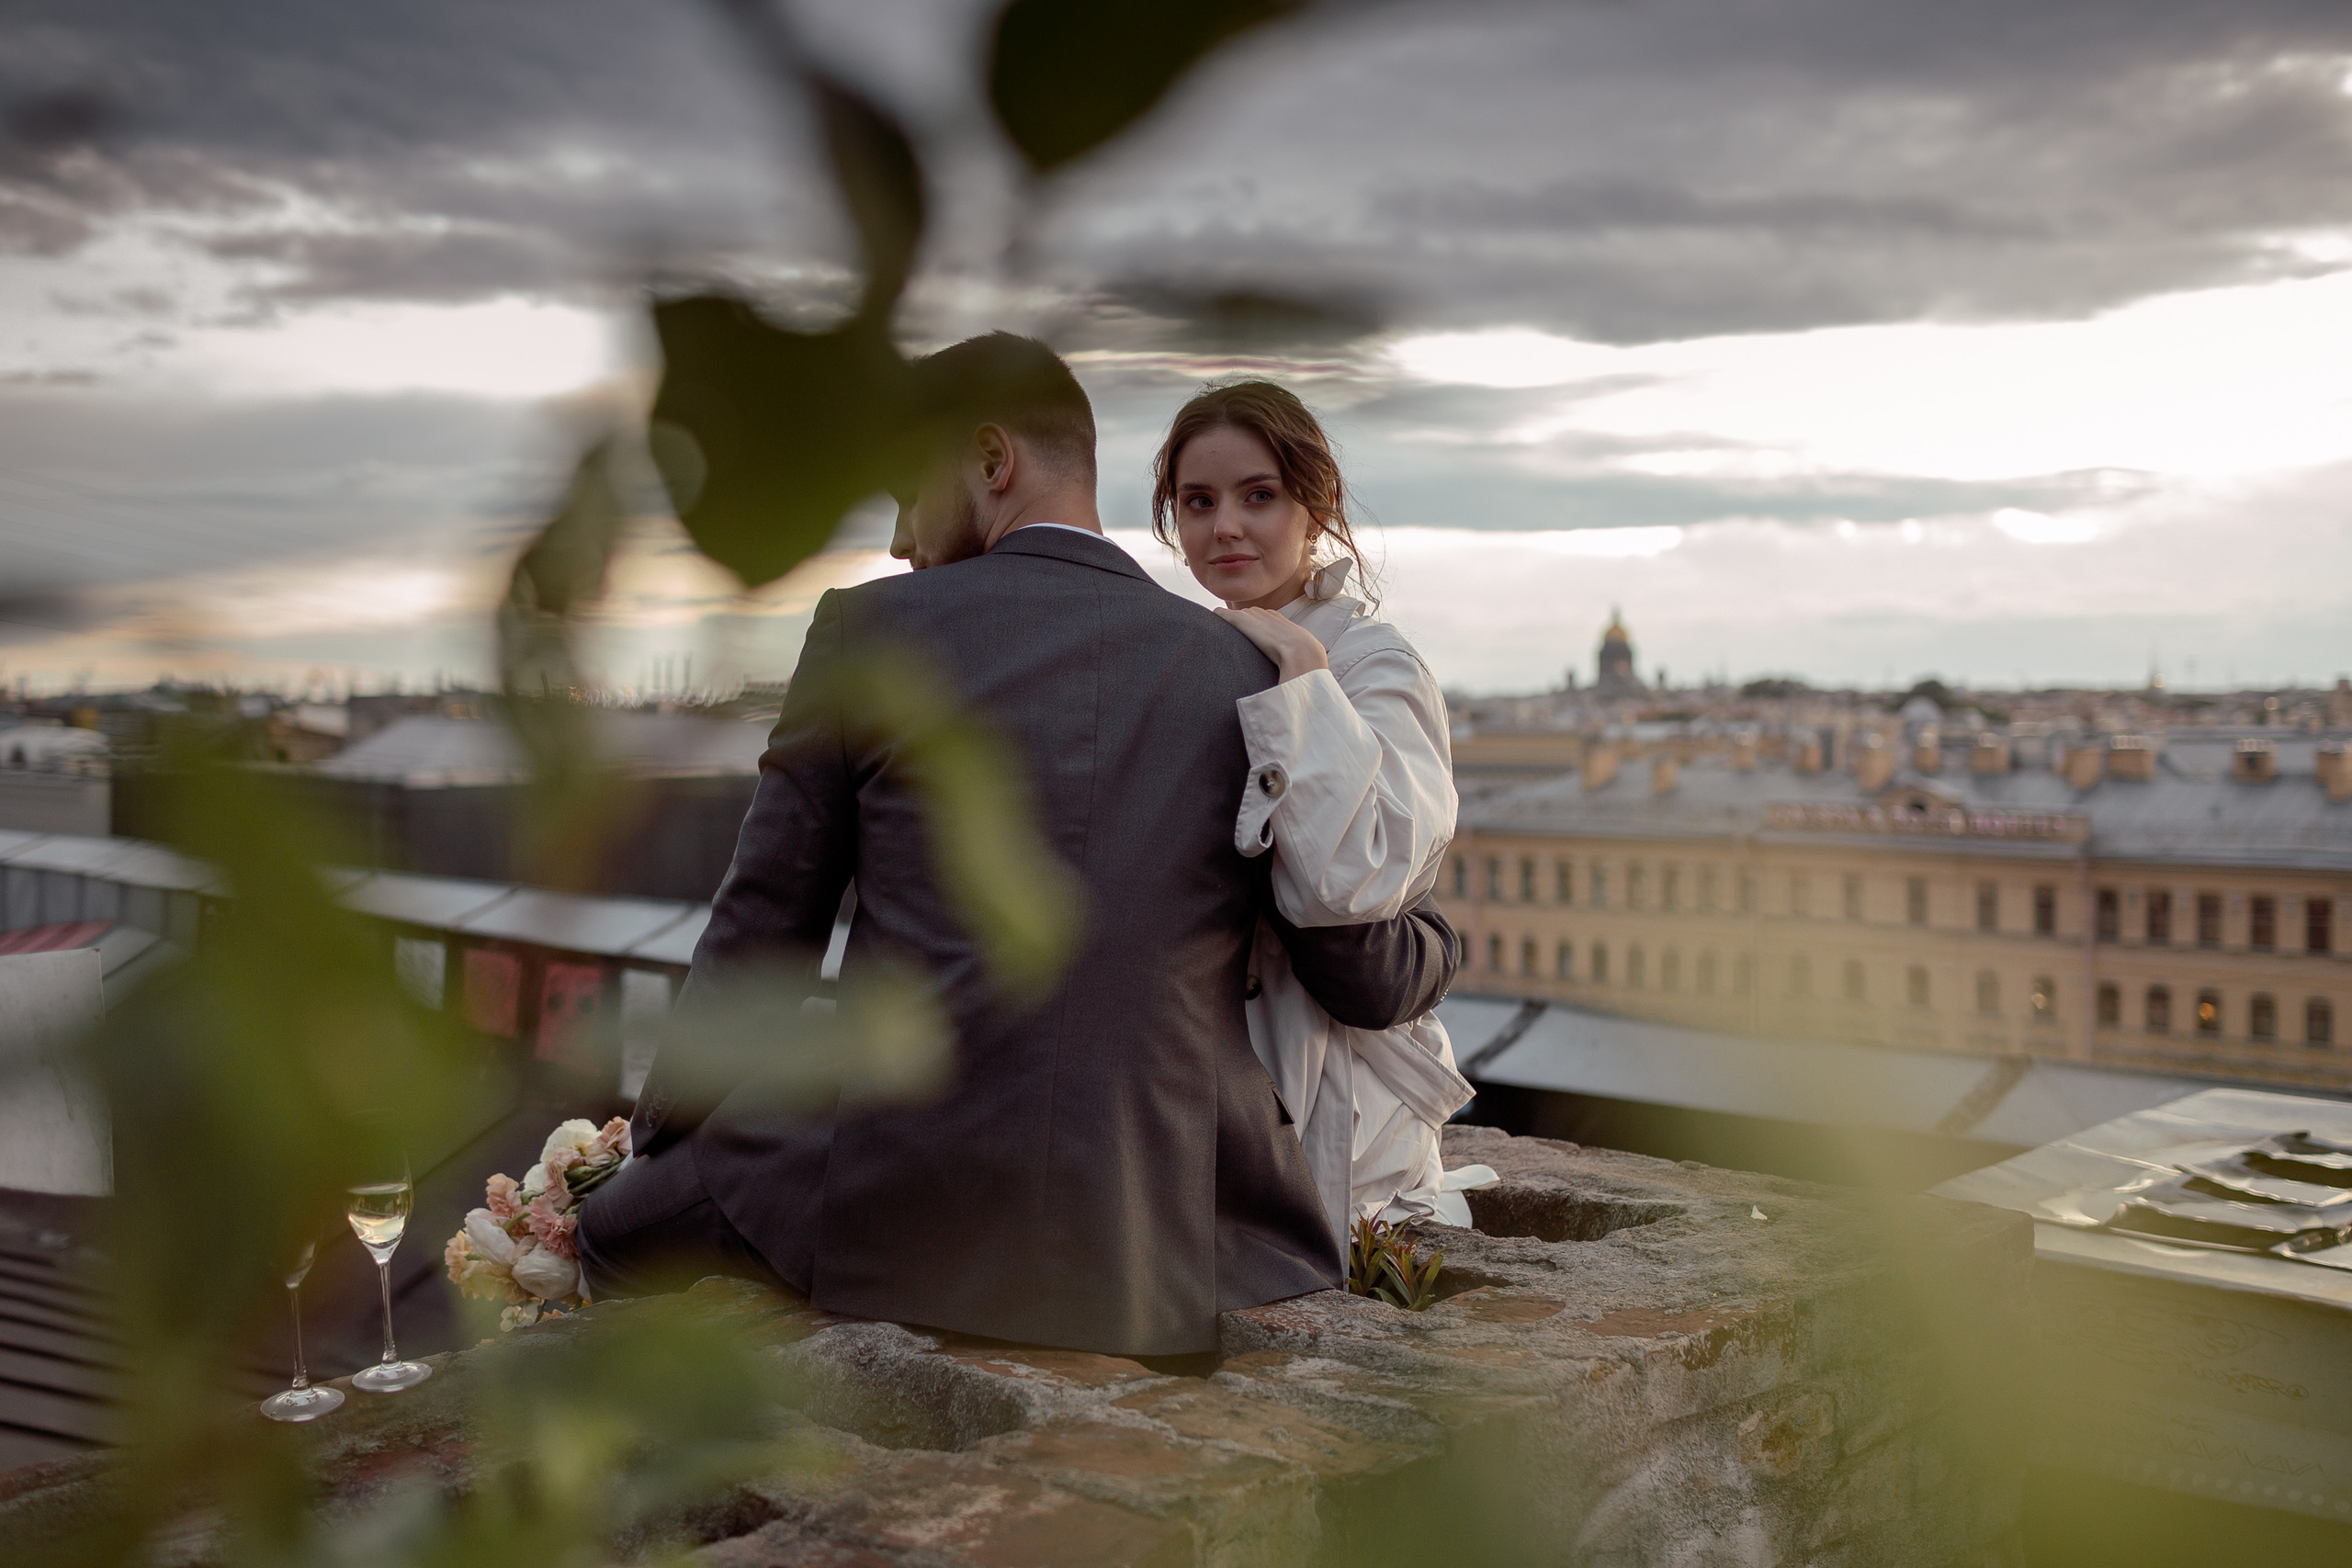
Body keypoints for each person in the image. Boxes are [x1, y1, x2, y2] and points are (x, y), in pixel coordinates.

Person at [579, 333, 1459, 1357]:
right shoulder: (1239, 663)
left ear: (992, 461)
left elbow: (764, 927)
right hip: (1163, 1215)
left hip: (902, 1186)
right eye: (1200, 502)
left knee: (609, 1240)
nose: (905, 538)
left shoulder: (870, 629)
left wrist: (653, 1146)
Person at [1152, 379, 1482, 1248]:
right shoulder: (1191, 659)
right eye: (1199, 501)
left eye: (1258, 496)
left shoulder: (1374, 664)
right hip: (1219, 1110)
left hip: (1353, 1131)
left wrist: (1302, 671)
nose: (1225, 525)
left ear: (1316, 504)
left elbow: (1354, 880)